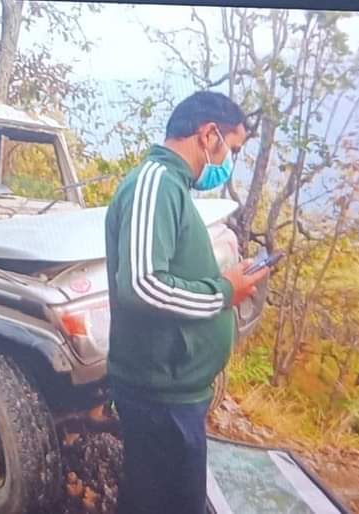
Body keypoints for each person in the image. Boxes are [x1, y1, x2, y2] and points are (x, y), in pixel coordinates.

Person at [105, 91, 269, 514]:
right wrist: (224, 292)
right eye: (232, 149)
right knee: (166, 502)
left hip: (175, 389)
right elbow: (142, 285)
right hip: (159, 394)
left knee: (155, 498)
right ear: (208, 135)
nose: (229, 161)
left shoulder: (173, 186)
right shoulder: (155, 183)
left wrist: (229, 279)